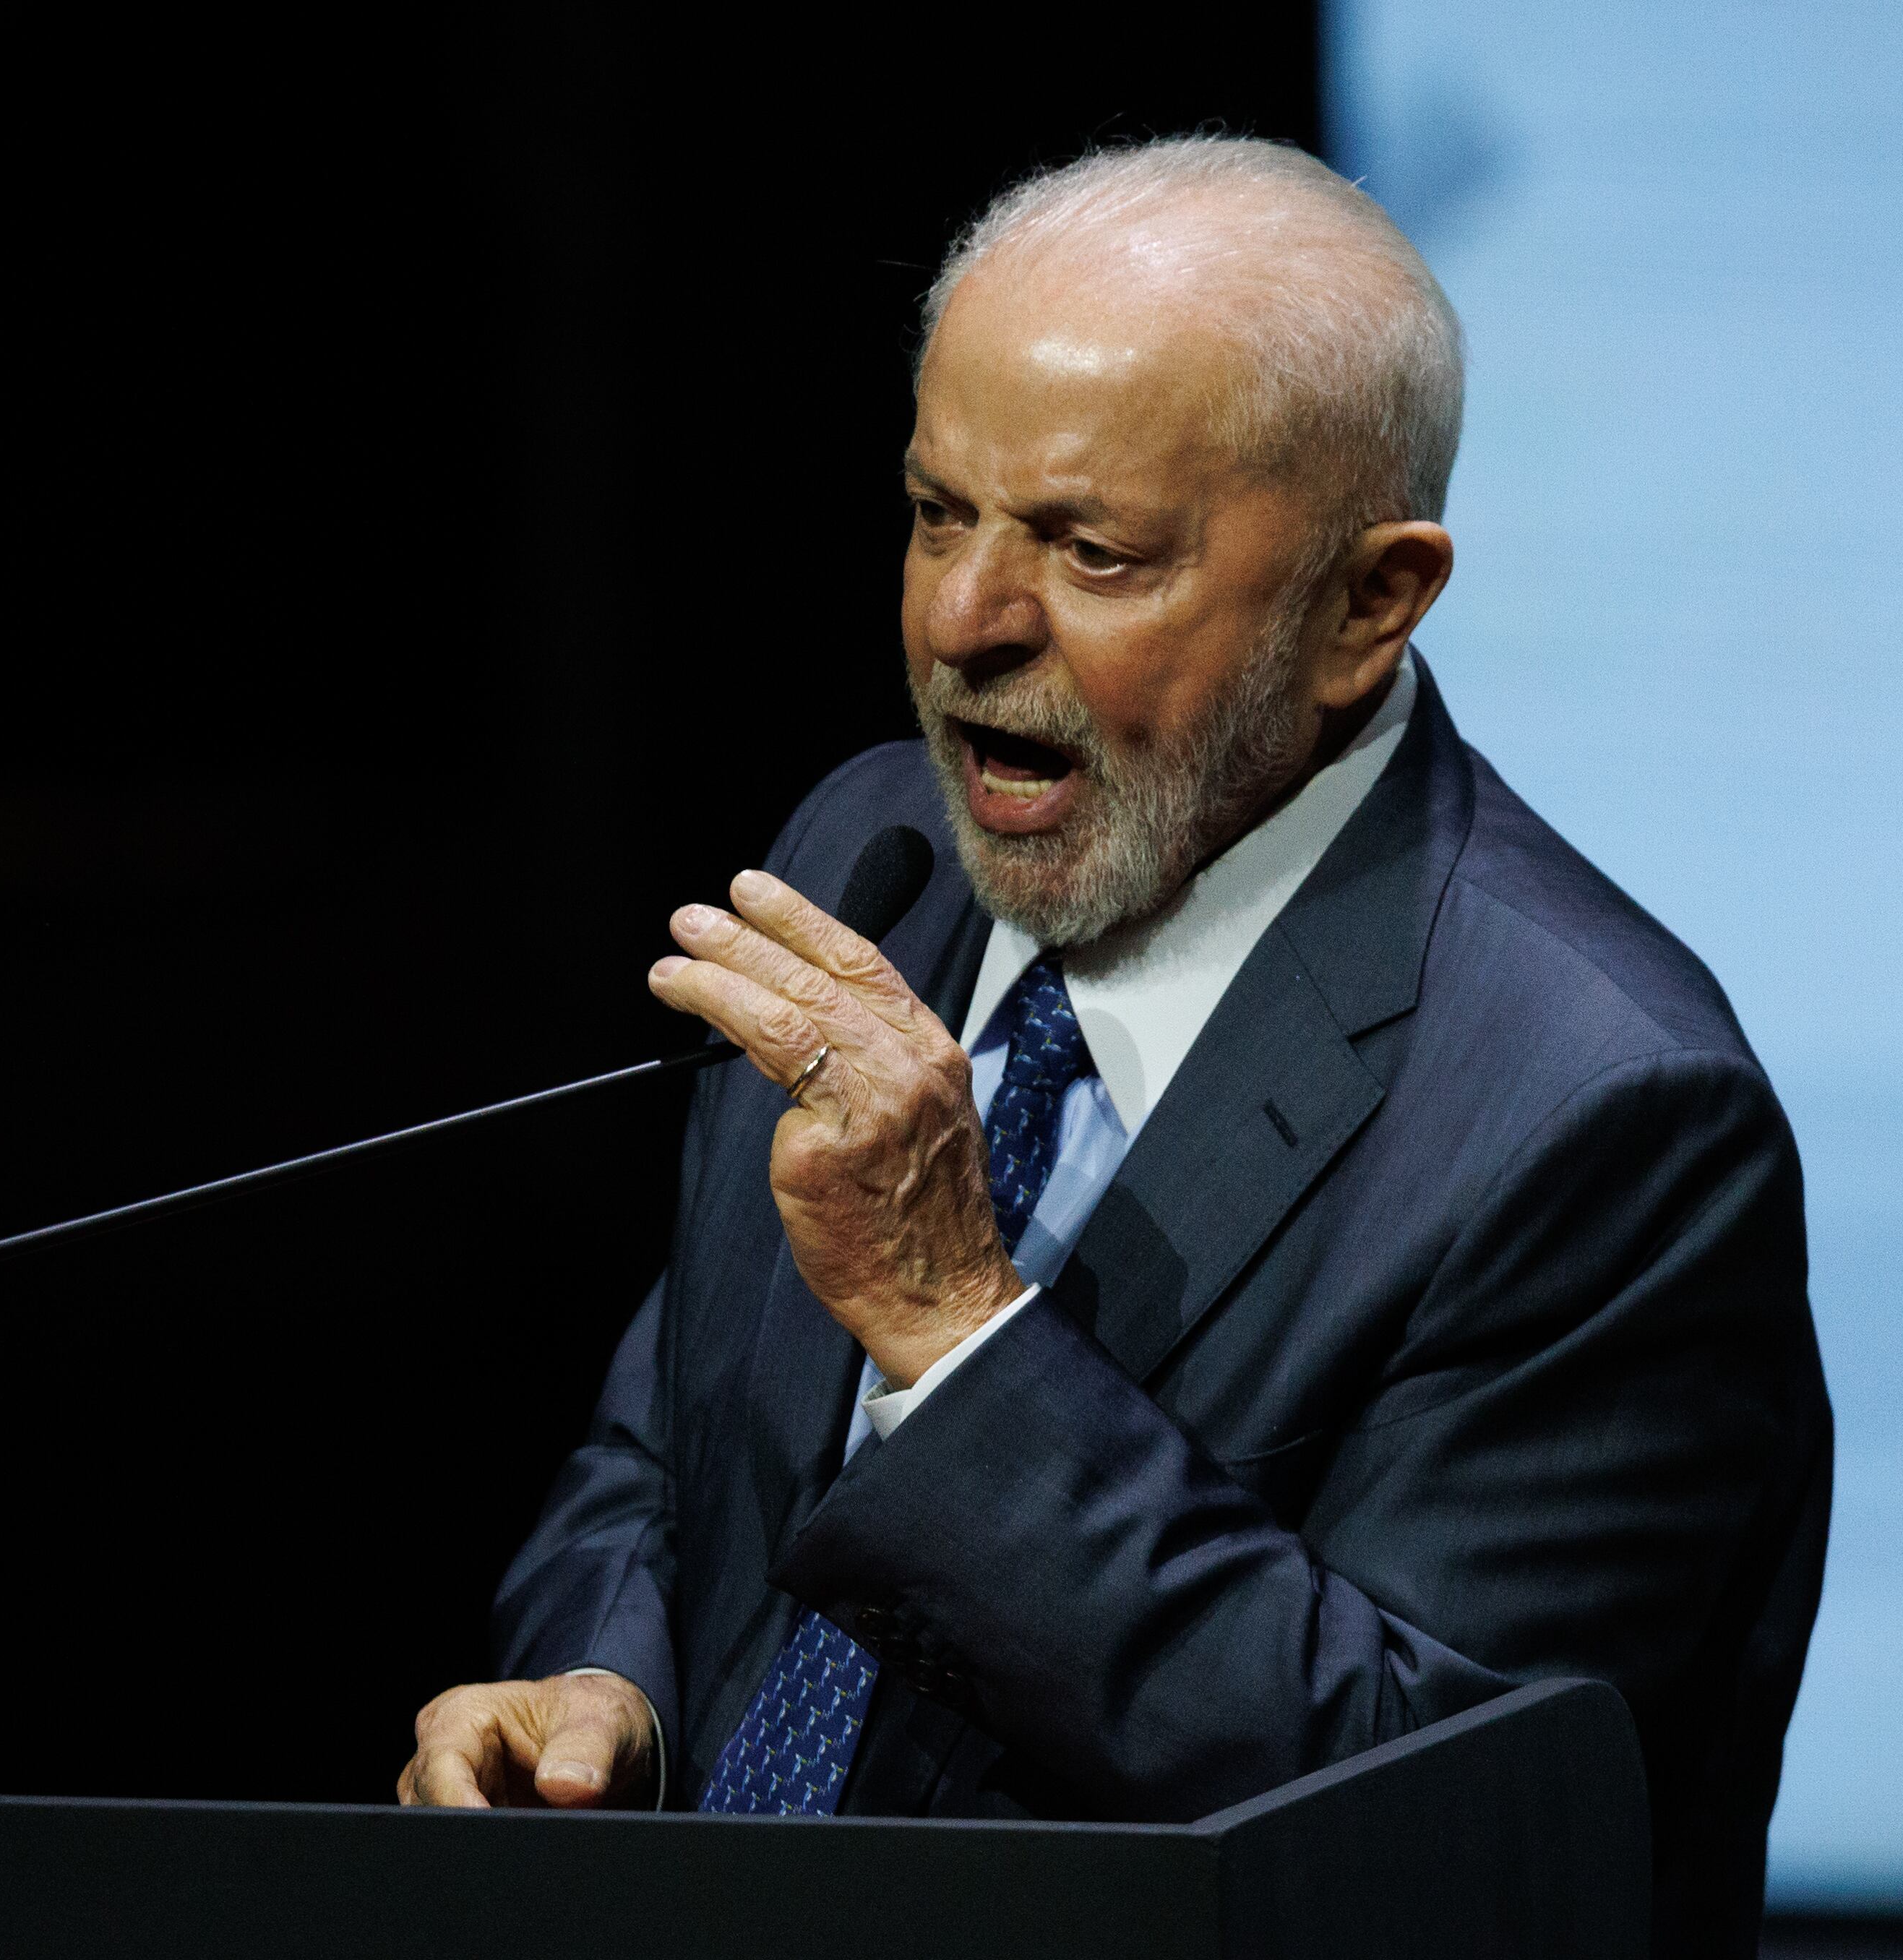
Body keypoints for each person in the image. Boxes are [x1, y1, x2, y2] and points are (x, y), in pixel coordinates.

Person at [398, 136, 1829, 1956]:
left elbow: (1425, 1830)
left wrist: (955, 1332)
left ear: (1368, 605)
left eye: (1092, 552)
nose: (963, 623)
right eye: (939, 514)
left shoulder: (1602, 1116)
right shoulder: (872, 856)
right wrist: (612, 1697)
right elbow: (669, 1449)